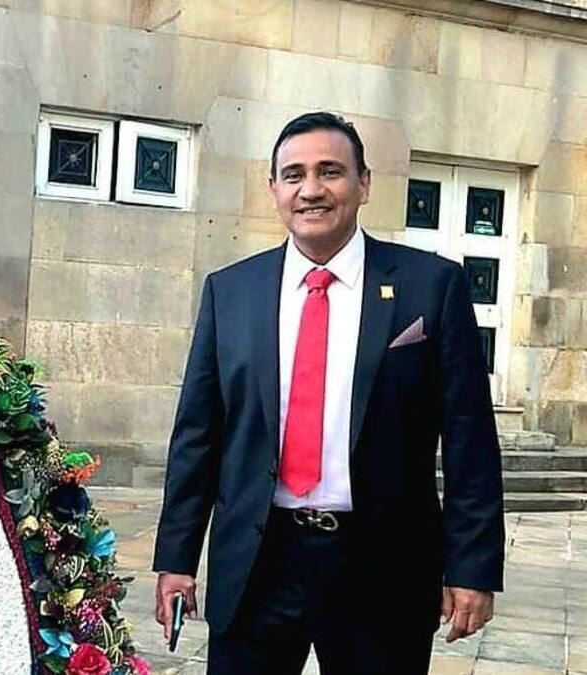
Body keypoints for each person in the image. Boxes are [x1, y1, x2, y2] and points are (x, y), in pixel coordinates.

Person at [152, 112, 504, 674]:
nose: (311, 189)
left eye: (330, 171)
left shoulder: (431, 287)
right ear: (274, 189)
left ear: (364, 183)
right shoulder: (231, 291)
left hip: (382, 566)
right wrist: (176, 558)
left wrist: (473, 568)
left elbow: (470, 441)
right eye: (294, 175)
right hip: (258, 564)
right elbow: (198, 434)